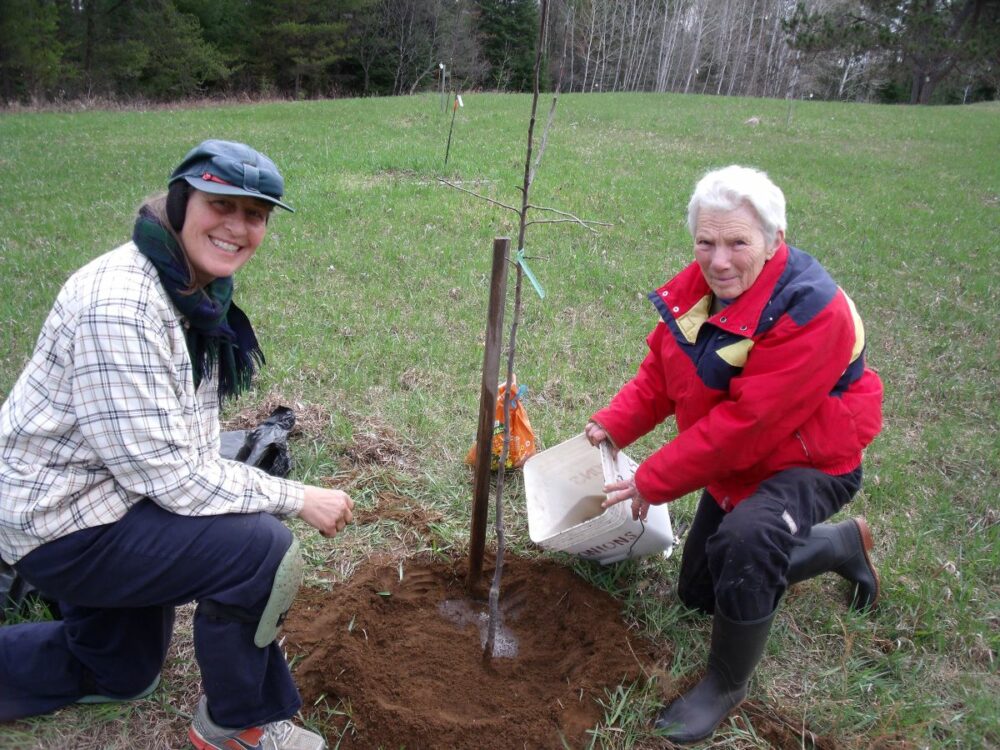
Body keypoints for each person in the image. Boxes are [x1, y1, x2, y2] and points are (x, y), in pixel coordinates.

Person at [0, 140, 354, 750]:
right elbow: (167, 475)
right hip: (64, 523)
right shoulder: (120, 304)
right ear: (183, 200)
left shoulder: (187, 286)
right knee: (260, 548)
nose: (238, 228)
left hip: (106, 497)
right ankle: (237, 724)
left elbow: (174, 448)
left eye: (256, 215)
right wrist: (295, 497)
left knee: (120, 674)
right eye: (222, 205)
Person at [586, 165, 883, 744]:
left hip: (809, 460)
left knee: (746, 543)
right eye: (706, 241)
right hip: (739, 463)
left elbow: (747, 426)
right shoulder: (702, 289)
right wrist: (614, 424)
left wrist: (653, 479)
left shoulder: (810, 309)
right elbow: (661, 374)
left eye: (737, 243)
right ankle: (843, 545)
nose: (719, 259)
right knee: (701, 593)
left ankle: (725, 682)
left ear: (774, 241)